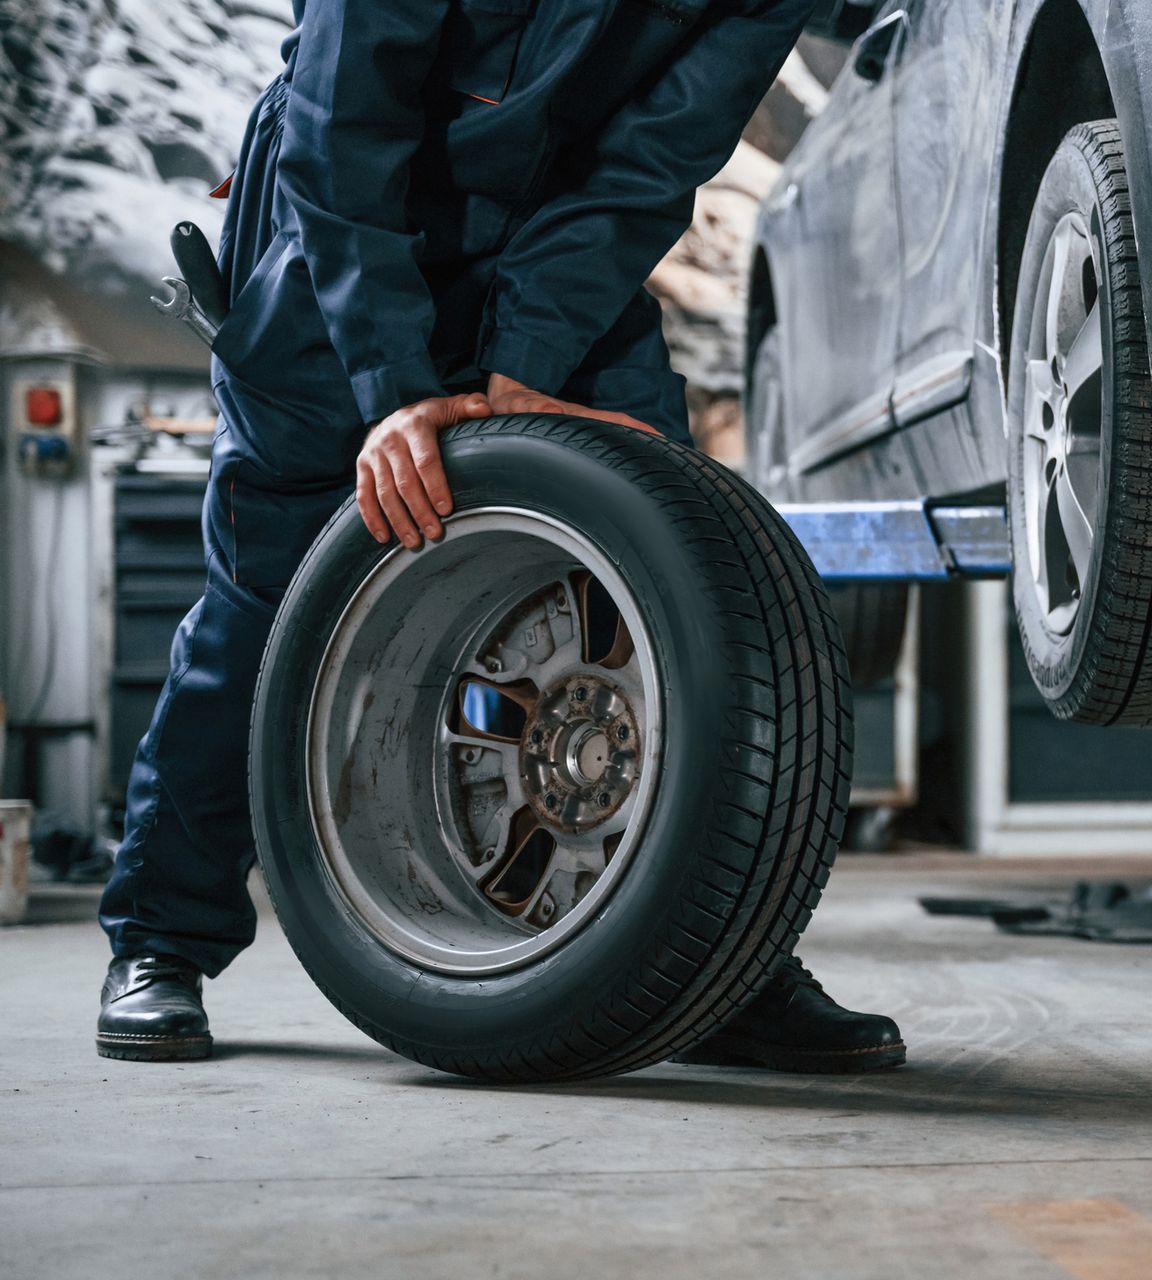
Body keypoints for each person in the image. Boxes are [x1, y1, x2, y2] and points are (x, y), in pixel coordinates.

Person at [94, 0, 904, 1074]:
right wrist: (395, 387)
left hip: (564, 237)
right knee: (266, 601)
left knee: (681, 577)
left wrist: (530, 354)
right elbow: (344, 122)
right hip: (342, 234)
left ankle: (723, 960)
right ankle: (161, 938)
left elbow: (653, 152)